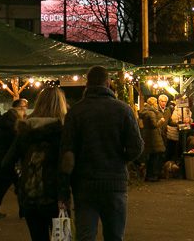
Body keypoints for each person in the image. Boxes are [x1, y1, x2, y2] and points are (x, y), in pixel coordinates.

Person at [61, 66, 144, 241]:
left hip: (84, 184)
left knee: (85, 235)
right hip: (114, 183)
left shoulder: (75, 112)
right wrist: (120, 159)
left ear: (87, 83)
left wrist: (65, 183)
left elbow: (67, 152)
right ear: (108, 83)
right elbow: (136, 147)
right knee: (114, 235)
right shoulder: (123, 110)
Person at [2, 88, 68, 241]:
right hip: (58, 197)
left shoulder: (25, 129)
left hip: (30, 196)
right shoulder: (64, 130)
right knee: (63, 238)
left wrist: (20, 183)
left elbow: (6, 163)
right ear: (61, 104)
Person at [138, 97, 165, 181]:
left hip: (148, 136)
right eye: (156, 102)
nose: (157, 104)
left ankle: (149, 175)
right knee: (155, 157)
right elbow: (154, 125)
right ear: (153, 103)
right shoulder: (151, 113)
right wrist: (161, 121)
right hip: (154, 137)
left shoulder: (145, 112)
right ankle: (153, 176)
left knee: (150, 157)